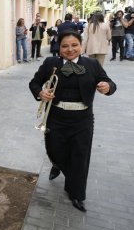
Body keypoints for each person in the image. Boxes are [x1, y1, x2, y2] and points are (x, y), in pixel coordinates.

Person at [29, 30, 116, 212]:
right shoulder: (51, 63)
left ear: (81, 46)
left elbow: (109, 82)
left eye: (74, 45)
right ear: (59, 48)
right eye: (65, 46)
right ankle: (57, 164)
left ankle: (76, 193)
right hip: (56, 118)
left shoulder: (92, 64)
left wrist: (107, 87)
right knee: (55, 151)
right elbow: (34, 82)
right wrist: (40, 92)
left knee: (80, 158)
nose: (70, 50)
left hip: (82, 120)